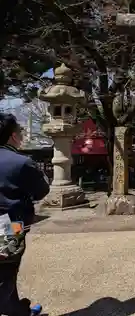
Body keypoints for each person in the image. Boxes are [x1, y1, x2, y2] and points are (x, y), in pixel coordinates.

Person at [0, 113, 50, 316]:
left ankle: (17, 309)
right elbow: (41, 191)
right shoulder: (20, 162)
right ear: (13, 136)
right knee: (6, 269)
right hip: (10, 224)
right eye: (19, 132)